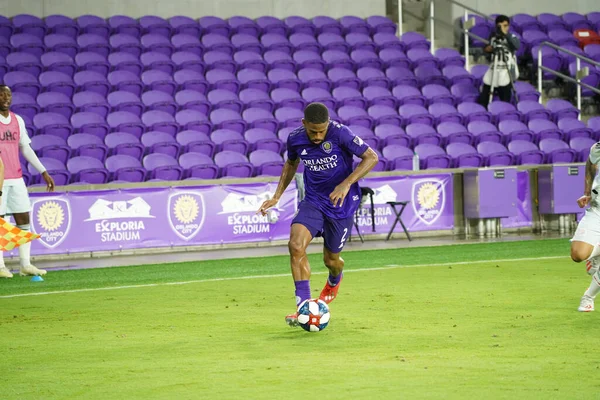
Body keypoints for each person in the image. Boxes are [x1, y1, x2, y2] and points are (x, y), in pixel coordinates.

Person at [257, 102, 378, 327]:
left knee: (331, 260)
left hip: (341, 204)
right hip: (313, 202)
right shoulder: (295, 138)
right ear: (304, 124)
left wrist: (346, 183)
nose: (318, 136)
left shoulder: (341, 133)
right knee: (295, 246)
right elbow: (291, 163)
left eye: (322, 131)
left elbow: (371, 157)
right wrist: (276, 196)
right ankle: (303, 307)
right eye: (313, 131)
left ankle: (334, 279)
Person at [0, 85, 55, 279]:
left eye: (8, 94)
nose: (6, 97)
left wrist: (43, 171)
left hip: (16, 178)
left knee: (23, 220)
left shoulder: (18, 121)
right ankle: (0, 266)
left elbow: (26, 148)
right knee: (1, 223)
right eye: (1, 94)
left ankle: (25, 265)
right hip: (0, 180)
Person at [571, 142, 600, 312]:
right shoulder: (598, 148)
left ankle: (588, 297)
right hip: (597, 210)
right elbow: (590, 164)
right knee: (578, 254)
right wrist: (588, 192)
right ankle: (595, 254)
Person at [477, 15, 521, 107]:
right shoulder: (493, 37)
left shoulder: (511, 37)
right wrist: (488, 49)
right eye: (500, 26)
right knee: (484, 98)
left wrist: (505, 34)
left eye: (505, 25)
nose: (503, 28)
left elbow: (517, 45)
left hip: (506, 71)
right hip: (494, 69)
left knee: (505, 100)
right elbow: (486, 50)